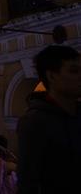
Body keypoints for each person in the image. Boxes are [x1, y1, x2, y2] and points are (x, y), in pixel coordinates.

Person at [17, 45, 81, 194]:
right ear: (51, 76)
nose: (80, 76)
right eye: (73, 71)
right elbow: (28, 183)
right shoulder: (34, 123)